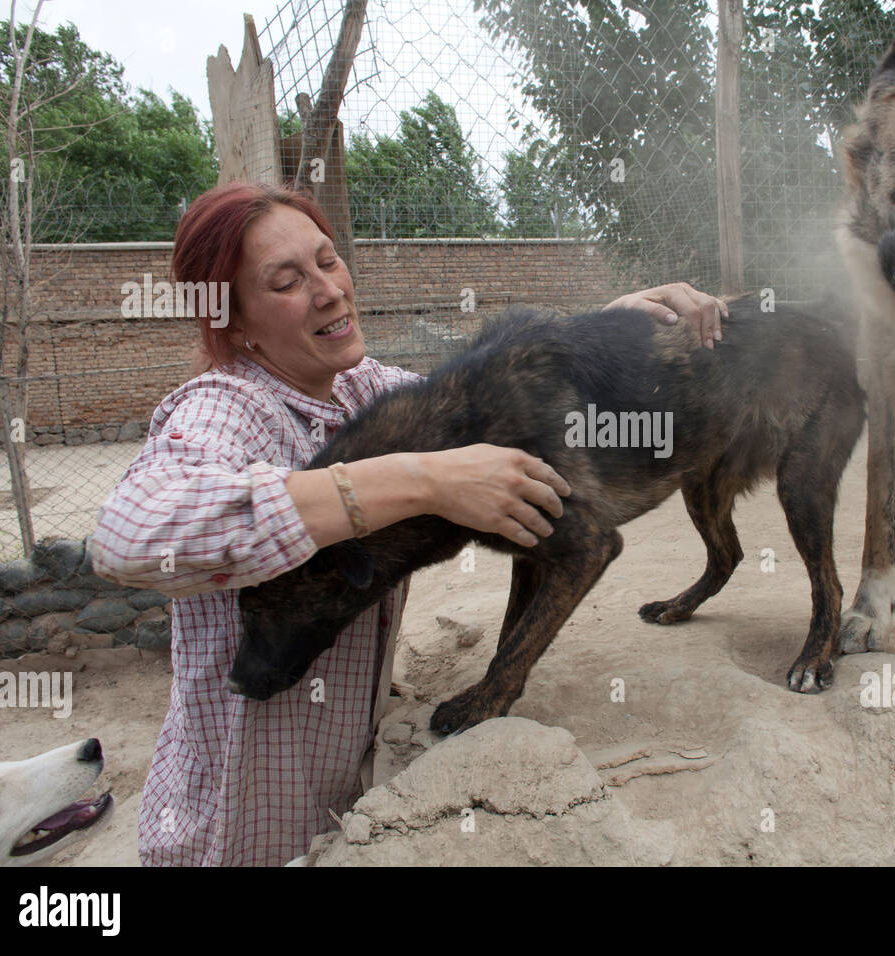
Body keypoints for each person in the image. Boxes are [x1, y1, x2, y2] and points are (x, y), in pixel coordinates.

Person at [89, 181, 729, 866]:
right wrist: (421, 478)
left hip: (339, 808)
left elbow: (498, 391)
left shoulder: (363, 389)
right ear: (234, 324)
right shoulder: (224, 408)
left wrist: (610, 334)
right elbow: (128, 535)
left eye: (328, 261)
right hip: (228, 833)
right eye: (286, 281)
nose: (328, 290)